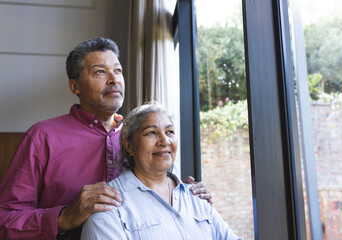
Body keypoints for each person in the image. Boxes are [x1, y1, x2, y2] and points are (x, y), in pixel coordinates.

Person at [0, 38, 211, 240]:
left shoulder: (142, 138)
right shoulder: (41, 137)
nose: (114, 80)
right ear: (75, 86)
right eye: (100, 72)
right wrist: (64, 218)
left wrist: (182, 194)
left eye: (118, 71)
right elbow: (5, 220)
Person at [81, 102, 243, 240]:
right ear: (128, 145)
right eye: (151, 132)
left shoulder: (196, 197)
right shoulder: (109, 207)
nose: (165, 141)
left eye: (170, 132)